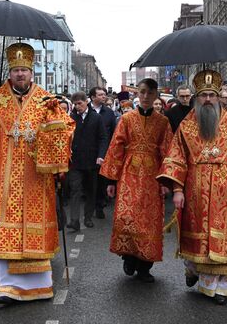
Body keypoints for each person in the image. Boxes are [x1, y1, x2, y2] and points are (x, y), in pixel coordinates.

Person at [0, 43, 74, 304]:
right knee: (7, 227)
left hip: (37, 176)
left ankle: (40, 287)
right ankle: (7, 288)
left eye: (24, 70)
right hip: (5, 176)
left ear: (32, 73)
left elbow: (65, 132)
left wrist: (55, 119)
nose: (20, 74)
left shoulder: (46, 100)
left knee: (36, 226)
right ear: (10, 73)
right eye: (16, 70)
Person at [157, 70, 227, 305]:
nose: (209, 99)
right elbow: (176, 158)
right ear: (196, 99)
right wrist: (178, 191)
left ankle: (222, 288)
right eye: (204, 96)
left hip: (225, 194)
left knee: (224, 239)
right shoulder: (186, 127)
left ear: (219, 97)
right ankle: (199, 276)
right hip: (196, 191)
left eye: (213, 95)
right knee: (198, 239)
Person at [100, 78, 173, 283]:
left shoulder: (163, 122)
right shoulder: (126, 119)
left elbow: (168, 151)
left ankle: (145, 266)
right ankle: (129, 256)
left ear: (156, 95)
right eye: (142, 92)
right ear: (137, 94)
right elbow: (116, 147)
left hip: (152, 177)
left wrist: (167, 181)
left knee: (149, 221)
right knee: (127, 216)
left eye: (150, 93)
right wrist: (111, 181)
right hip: (129, 173)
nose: (146, 97)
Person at [67, 91, 108, 231]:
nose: (77, 106)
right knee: (75, 190)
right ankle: (74, 220)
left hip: (92, 161)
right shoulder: (71, 118)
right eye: (75, 104)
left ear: (86, 102)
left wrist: (101, 155)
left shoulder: (96, 118)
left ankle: (88, 217)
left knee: (91, 190)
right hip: (76, 161)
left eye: (80, 103)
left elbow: (103, 138)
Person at [89, 86, 116, 220]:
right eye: (100, 95)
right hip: (88, 150)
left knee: (101, 181)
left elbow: (114, 132)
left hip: (105, 151)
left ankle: (100, 206)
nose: (104, 97)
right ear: (93, 97)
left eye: (104, 94)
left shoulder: (109, 113)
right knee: (89, 181)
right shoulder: (86, 110)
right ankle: (91, 205)